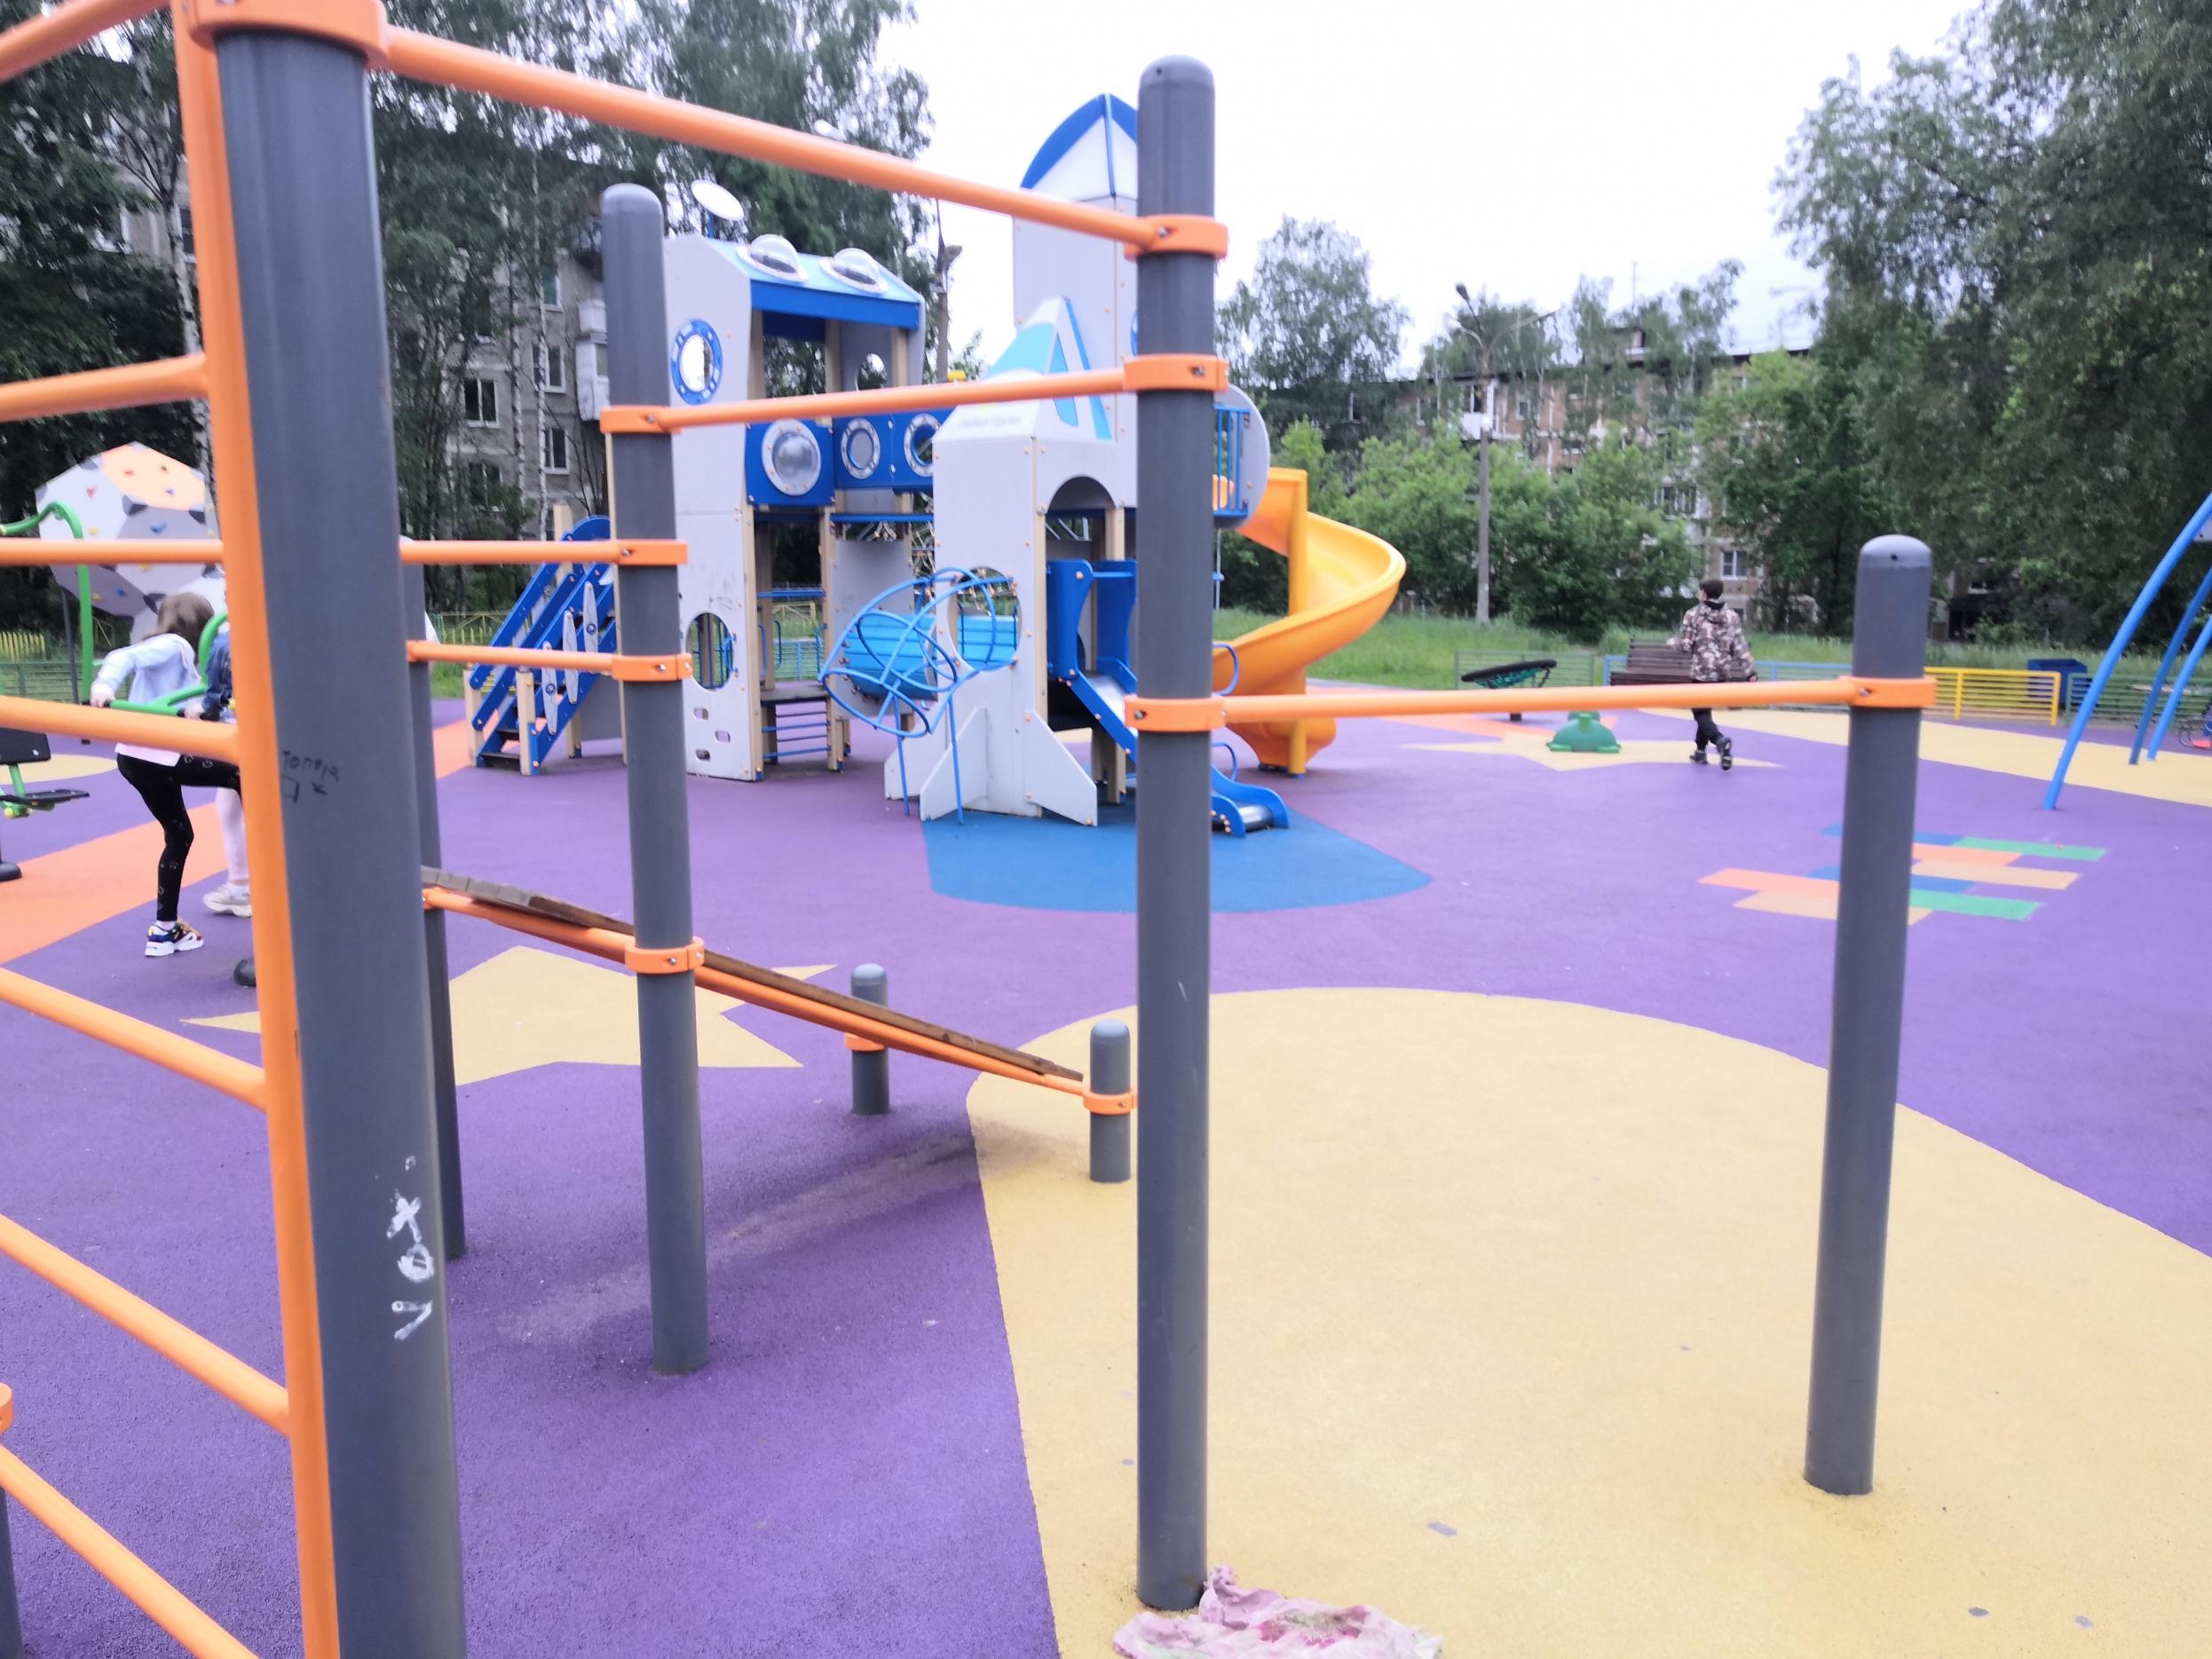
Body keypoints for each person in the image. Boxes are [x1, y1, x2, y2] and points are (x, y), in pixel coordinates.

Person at [90, 593, 245, 956]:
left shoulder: (182, 660)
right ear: (201, 625)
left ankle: (164, 930)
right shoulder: (174, 645)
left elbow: (191, 708)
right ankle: (267, 871)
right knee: (245, 774)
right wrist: (103, 687)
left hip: (133, 759)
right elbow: (122, 656)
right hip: (160, 757)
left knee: (179, 836)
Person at [184, 620, 251, 919]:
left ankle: (242, 886)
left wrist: (207, 706)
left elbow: (217, 691)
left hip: (243, 731)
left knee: (232, 807)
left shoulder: (229, 640)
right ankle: (243, 884)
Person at [1670, 576, 1758, 770]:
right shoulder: (1732, 616)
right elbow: (1739, 645)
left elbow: (1686, 645)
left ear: (1703, 593)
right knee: (1705, 709)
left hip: (1701, 671)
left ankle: (1720, 741)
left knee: (1700, 711)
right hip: (1721, 672)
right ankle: (1700, 752)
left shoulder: (1693, 614)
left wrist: (1672, 642)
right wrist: (1749, 671)